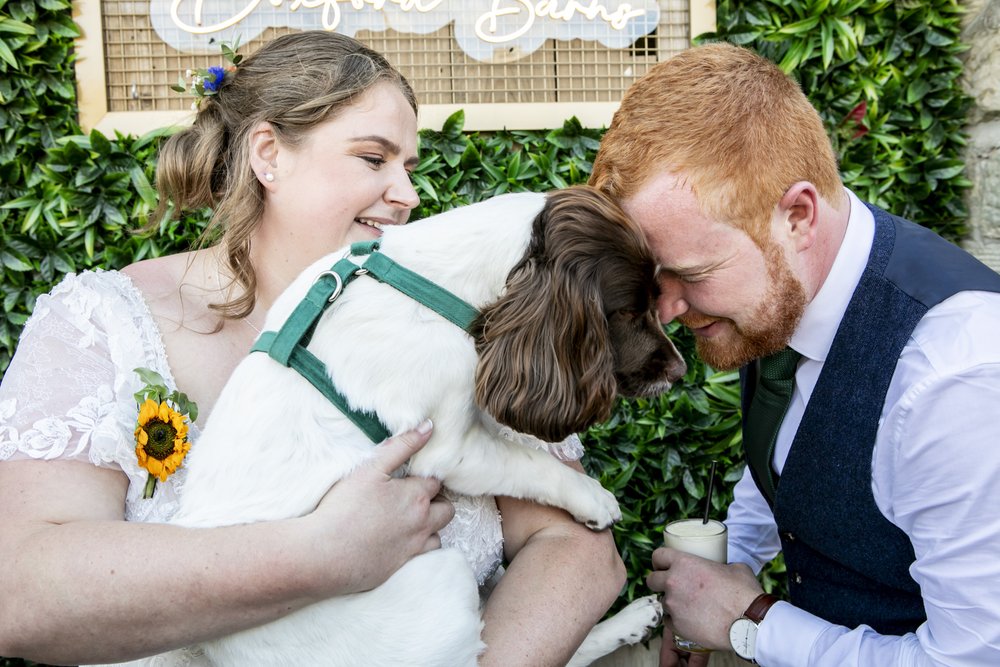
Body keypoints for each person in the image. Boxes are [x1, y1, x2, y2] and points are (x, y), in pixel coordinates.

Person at [0, 31, 625, 666]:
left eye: (409, 167)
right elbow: (18, 590)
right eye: (373, 159)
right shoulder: (107, 324)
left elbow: (575, 546)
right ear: (268, 153)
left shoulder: (454, 328)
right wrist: (320, 555)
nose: (409, 195)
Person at [589, 41, 1000, 667]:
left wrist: (750, 621)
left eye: (689, 273)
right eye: (653, 282)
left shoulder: (954, 377)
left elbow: (971, 659)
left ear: (798, 216)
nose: (666, 310)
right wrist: (729, 565)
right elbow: (789, 455)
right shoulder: (781, 291)